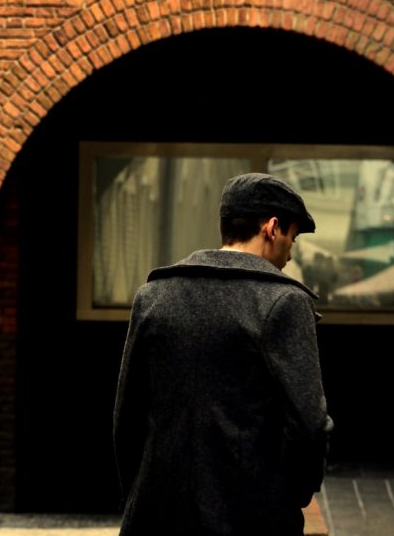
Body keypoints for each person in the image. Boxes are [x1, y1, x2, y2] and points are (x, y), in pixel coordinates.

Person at [113, 172, 334, 536]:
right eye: (292, 238)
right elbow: (310, 425)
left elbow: (128, 416)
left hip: (156, 515)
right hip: (251, 518)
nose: (291, 253)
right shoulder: (283, 302)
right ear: (272, 228)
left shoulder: (152, 296)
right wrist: (289, 497)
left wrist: (139, 494)